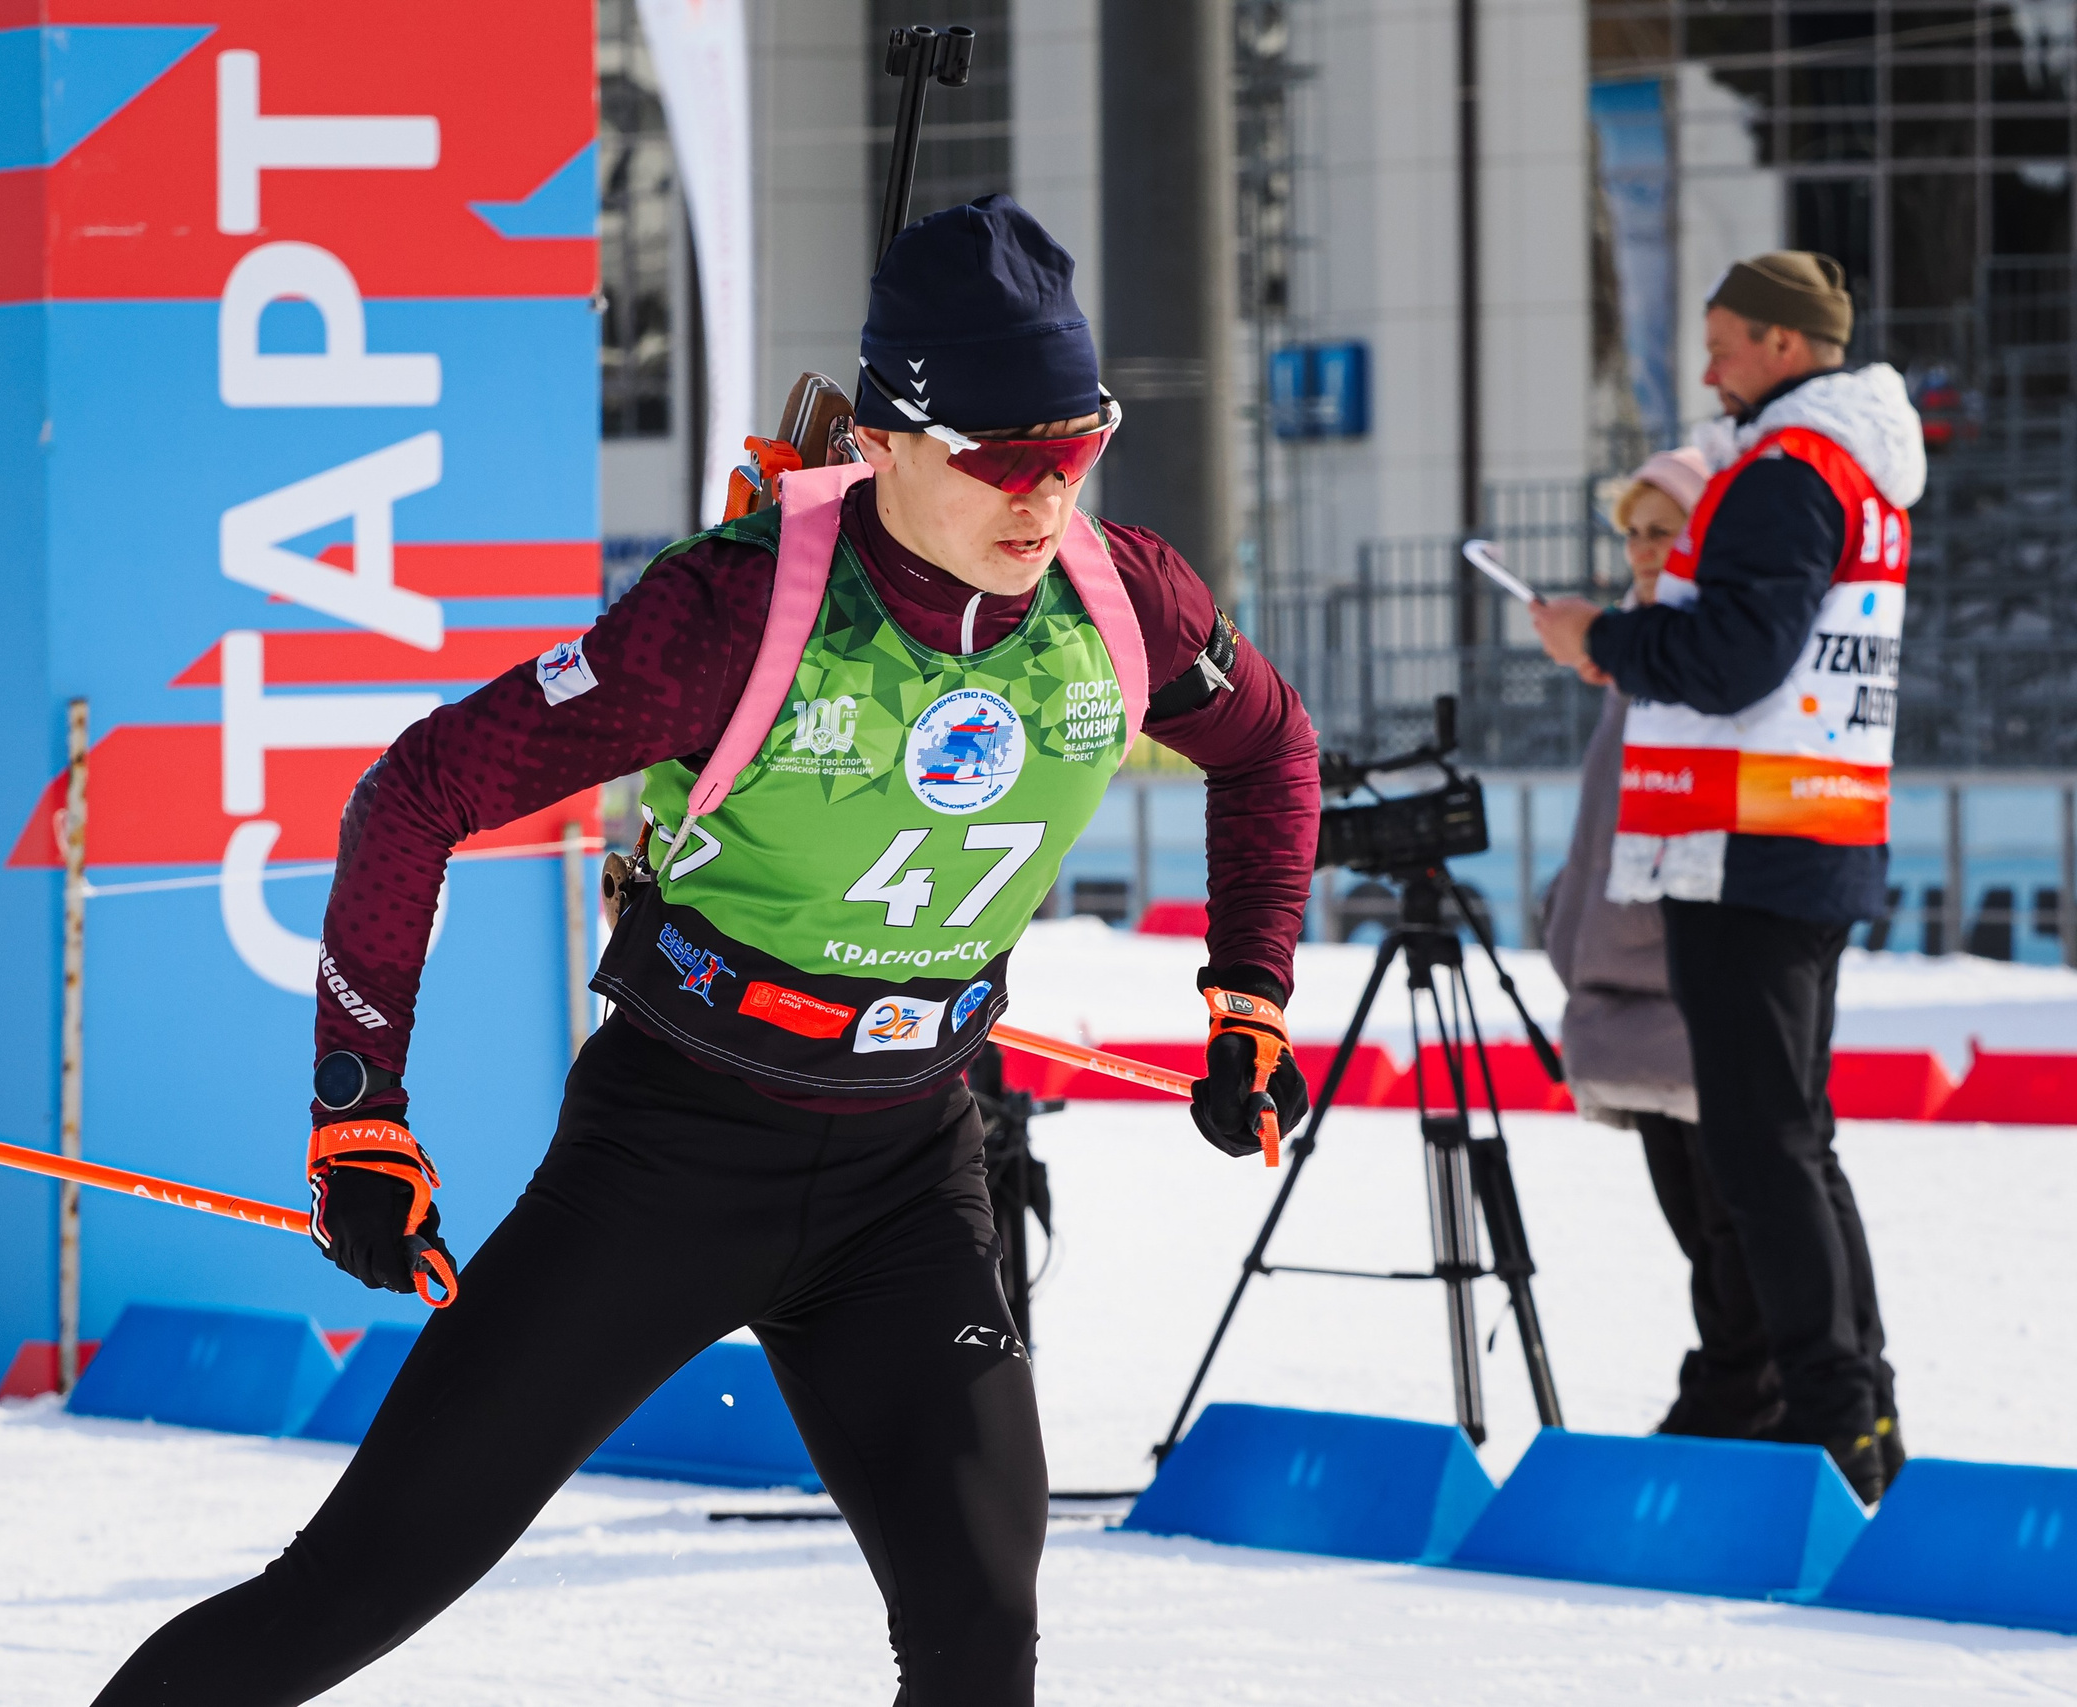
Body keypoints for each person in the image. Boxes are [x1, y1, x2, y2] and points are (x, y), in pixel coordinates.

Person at [94, 196, 1321, 1706]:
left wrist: (1249, 995)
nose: (1046, 495)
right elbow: (415, 793)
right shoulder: (734, 611)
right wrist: (360, 1110)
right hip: (672, 1157)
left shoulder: (1123, 599)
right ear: (885, 441)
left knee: (981, 1625)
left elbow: (1270, 750)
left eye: (1077, 446)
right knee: (352, 1590)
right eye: (1003, 458)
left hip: (907, 1177)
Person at [1532, 250, 1917, 1502]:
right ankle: (1858, 1412)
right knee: (1793, 1141)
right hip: (1810, 830)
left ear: (1786, 345)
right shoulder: (1856, 470)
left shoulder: (1786, 469)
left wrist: (1604, 636)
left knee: (1759, 1152)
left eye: (1724, 344)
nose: (1707, 371)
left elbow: (1737, 655)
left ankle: (1828, 1423)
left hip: (1744, 847)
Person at [1542, 447, 1784, 1440]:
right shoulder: (1635, 666)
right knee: (1700, 1227)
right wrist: (1567, 910)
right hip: (1631, 989)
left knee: (1737, 1229)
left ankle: (1738, 1402)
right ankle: (1734, 1396)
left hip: (1690, 981)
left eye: (1665, 531)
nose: (1644, 551)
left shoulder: (1706, 662)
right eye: (1634, 533)